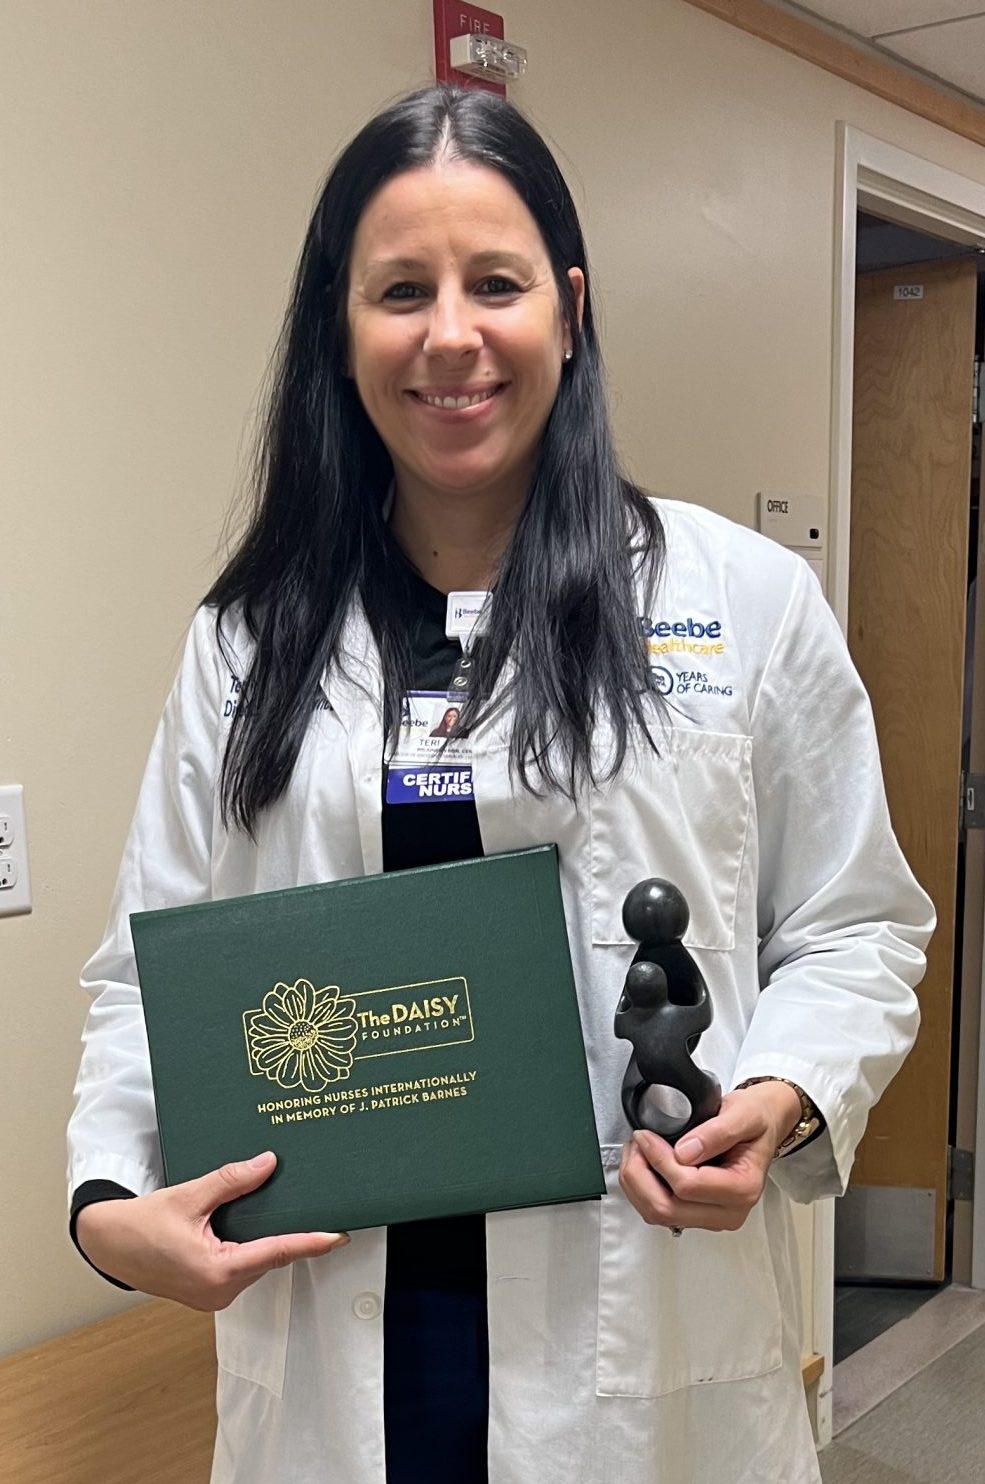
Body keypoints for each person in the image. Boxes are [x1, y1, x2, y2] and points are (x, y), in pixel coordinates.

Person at [67, 85, 934, 1484]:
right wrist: (109, 1203)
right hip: (338, 1347)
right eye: (401, 291)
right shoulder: (246, 643)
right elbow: (146, 972)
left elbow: (854, 926)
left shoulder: (744, 604)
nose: (451, 335)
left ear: (569, 311)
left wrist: (781, 1095)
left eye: (496, 283)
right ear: (339, 328)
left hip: (638, 1342)